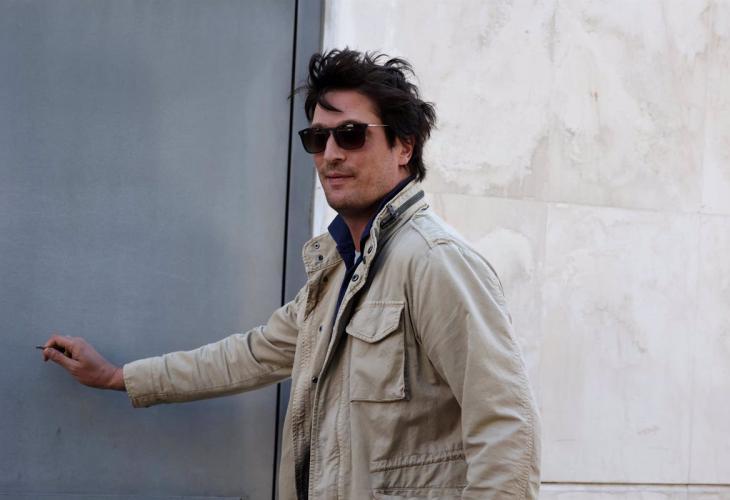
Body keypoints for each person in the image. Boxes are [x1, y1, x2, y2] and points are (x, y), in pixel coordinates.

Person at [41, 49, 541, 500]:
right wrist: (119, 377)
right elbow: (248, 356)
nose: (331, 154)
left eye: (351, 135)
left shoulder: (434, 261)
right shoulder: (340, 269)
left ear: (404, 147)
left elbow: (508, 430)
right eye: (317, 139)